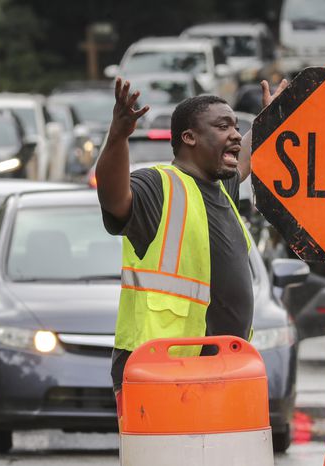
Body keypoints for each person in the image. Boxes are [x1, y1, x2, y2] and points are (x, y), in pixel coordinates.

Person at [96, 77, 288, 420]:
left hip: (221, 366)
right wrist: (118, 136)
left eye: (236, 126)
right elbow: (113, 196)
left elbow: (243, 157)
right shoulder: (157, 185)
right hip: (161, 370)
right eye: (222, 126)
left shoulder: (222, 187)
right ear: (189, 137)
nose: (233, 134)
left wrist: (266, 120)